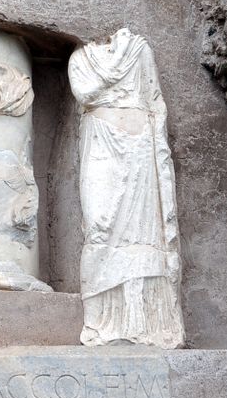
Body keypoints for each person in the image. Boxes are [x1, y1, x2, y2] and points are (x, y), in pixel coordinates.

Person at [67, 28, 185, 348]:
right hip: (100, 141)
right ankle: (101, 317)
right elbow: (85, 93)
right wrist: (114, 80)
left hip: (140, 147)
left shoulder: (139, 49)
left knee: (145, 232)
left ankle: (146, 320)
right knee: (99, 225)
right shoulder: (81, 57)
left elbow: (152, 98)